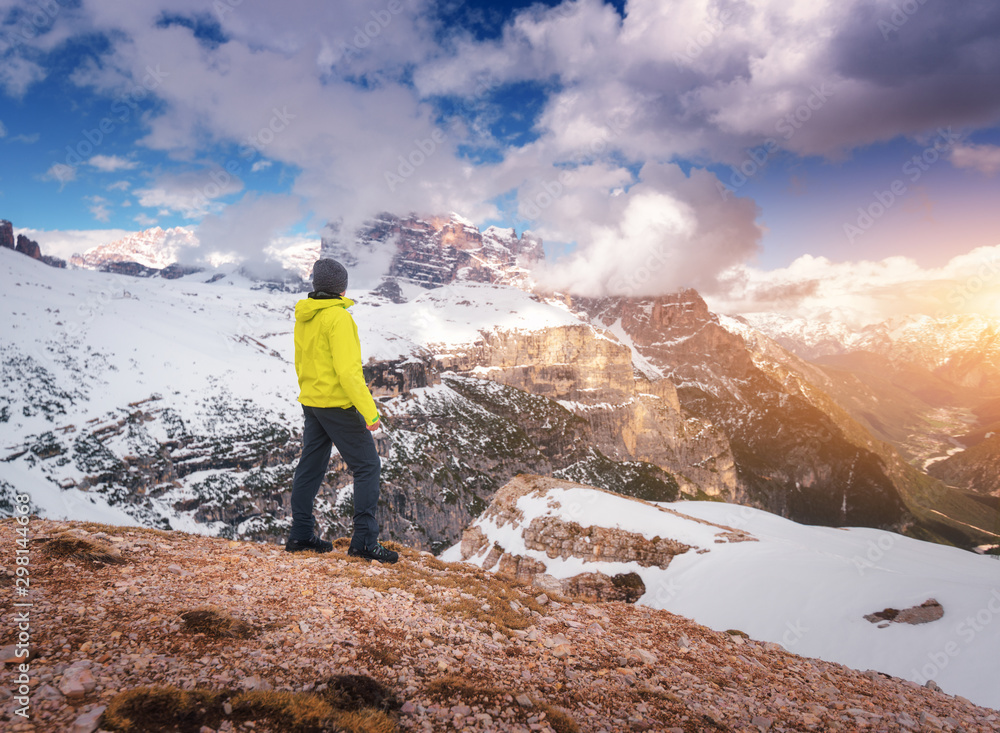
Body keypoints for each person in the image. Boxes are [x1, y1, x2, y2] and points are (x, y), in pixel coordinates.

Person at [285, 258, 398, 563]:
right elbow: (348, 373)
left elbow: (301, 361)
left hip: (312, 401)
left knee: (310, 466)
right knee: (367, 466)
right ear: (341, 287)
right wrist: (371, 414)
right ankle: (363, 542)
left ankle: (301, 534)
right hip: (336, 404)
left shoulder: (305, 316)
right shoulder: (339, 318)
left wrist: (311, 391)